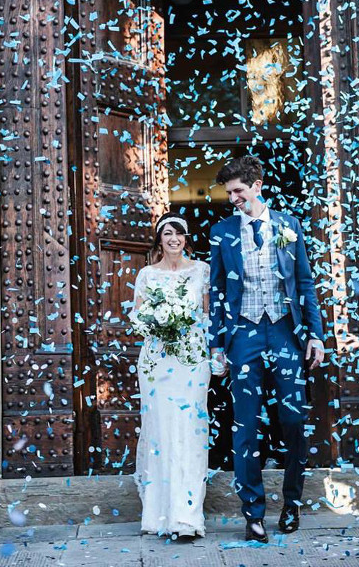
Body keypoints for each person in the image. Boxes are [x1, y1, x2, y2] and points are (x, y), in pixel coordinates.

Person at [208, 156, 325, 541]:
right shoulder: (222, 232)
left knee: (293, 422)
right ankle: (253, 514)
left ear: (257, 185)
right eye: (229, 193)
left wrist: (315, 335)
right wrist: (217, 345)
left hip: (284, 333)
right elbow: (217, 291)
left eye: (239, 191)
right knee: (245, 426)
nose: (234, 199)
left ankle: (291, 505)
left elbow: (305, 284)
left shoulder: (289, 226)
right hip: (243, 334)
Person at [132, 212, 211, 538]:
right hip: (157, 361)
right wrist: (158, 322)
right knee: (161, 433)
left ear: (186, 238)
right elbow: (137, 317)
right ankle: (158, 515)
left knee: (190, 431)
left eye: (179, 233)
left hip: (191, 360)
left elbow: (207, 316)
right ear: (159, 239)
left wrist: (214, 352)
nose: (174, 238)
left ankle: (187, 517)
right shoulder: (147, 275)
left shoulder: (202, 271)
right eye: (167, 233)